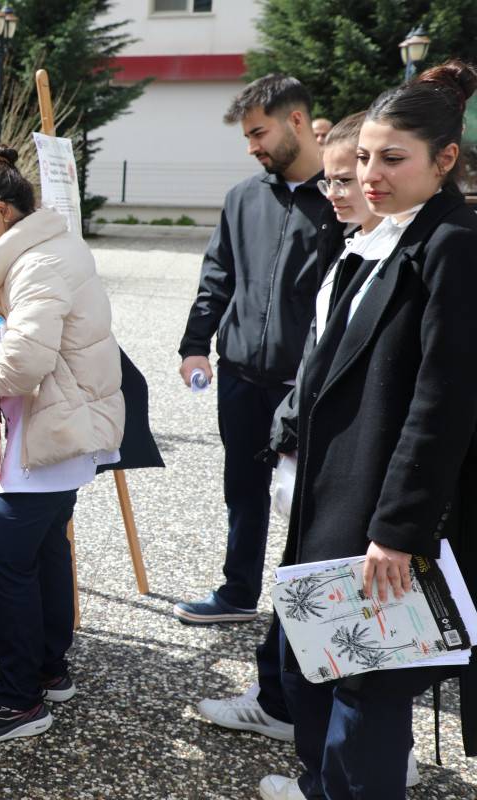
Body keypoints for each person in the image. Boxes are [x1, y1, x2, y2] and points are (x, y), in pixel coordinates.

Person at [259, 60, 477, 800]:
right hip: (335, 498)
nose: (370, 173)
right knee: (314, 671)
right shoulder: (382, 239)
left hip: (385, 517)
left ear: (444, 161)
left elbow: (445, 398)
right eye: (362, 158)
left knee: (367, 694)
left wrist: (399, 527)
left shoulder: (452, 245)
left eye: (392, 159)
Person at [195, 114, 426, 786]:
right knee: (320, 620)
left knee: (363, 643)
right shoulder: (353, 248)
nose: (341, 189)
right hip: (318, 467)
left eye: (350, 175)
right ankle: (310, 737)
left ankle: (358, 765)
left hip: (362, 486)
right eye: (331, 178)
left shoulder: (411, 259)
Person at [0, 145, 124, 743]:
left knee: (7, 555)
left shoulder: (36, 262)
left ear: (1, 210)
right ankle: (48, 667)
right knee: (47, 548)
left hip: (54, 430)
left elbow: (22, 364)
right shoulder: (54, 247)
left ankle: (21, 697)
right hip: (64, 427)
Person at [174, 74, 328, 626]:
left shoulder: (341, 201)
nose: (252, 147)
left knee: (310, 503)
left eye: (258, 133)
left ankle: (307, 615)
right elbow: (217, 275)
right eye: (247, 136)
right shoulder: (242, 197)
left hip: (306, 385)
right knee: (243, 490)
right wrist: (194, 346)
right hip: (239, 376)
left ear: (296, 121)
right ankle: (238, 593)